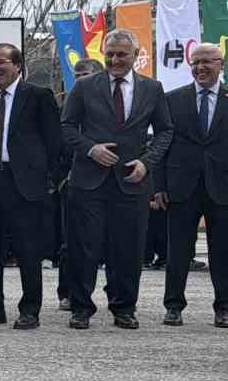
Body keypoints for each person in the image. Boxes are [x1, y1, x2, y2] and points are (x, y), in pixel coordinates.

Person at [61, 29, 173, 329]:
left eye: (122, 54)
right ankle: (81, 308)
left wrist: (147, 162)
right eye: (109, 54)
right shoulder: (84, 87)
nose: (114, 60)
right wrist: (91, 149)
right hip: (88, 181)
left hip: (132, 181)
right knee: (84, 247)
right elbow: (66, 126)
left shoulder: (153, 89)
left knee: (128, 248)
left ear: (135, 55)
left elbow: (165, 131)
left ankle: (124, 307)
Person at [0, 43, 62, 330]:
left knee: (27, 249)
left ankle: (30, 310)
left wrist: (50, 180)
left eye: (1, 63)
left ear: (17, 66)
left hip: (22, 183)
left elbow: (54, 142)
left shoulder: (38, 96)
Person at [154, 42, 227, 327]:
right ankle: (173, 306)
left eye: (207, 61)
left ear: (221, 64)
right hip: (180, 186)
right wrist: (158, 185)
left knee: (223, 250)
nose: (200, 67)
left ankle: (223, 307)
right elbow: (161, 145)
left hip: (222, 186)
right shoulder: (172, 99)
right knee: (178, 250)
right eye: (195, 62)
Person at [55, 59, 103, 310]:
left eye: (85, 74)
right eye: (77, 75)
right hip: (71, 181)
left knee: (108, 242)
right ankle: (68, 293)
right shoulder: (65, 106)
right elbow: (56, 142)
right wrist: (61, 178)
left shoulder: (106, 104)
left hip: (105, 179)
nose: (80, 79)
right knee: (71, 243)